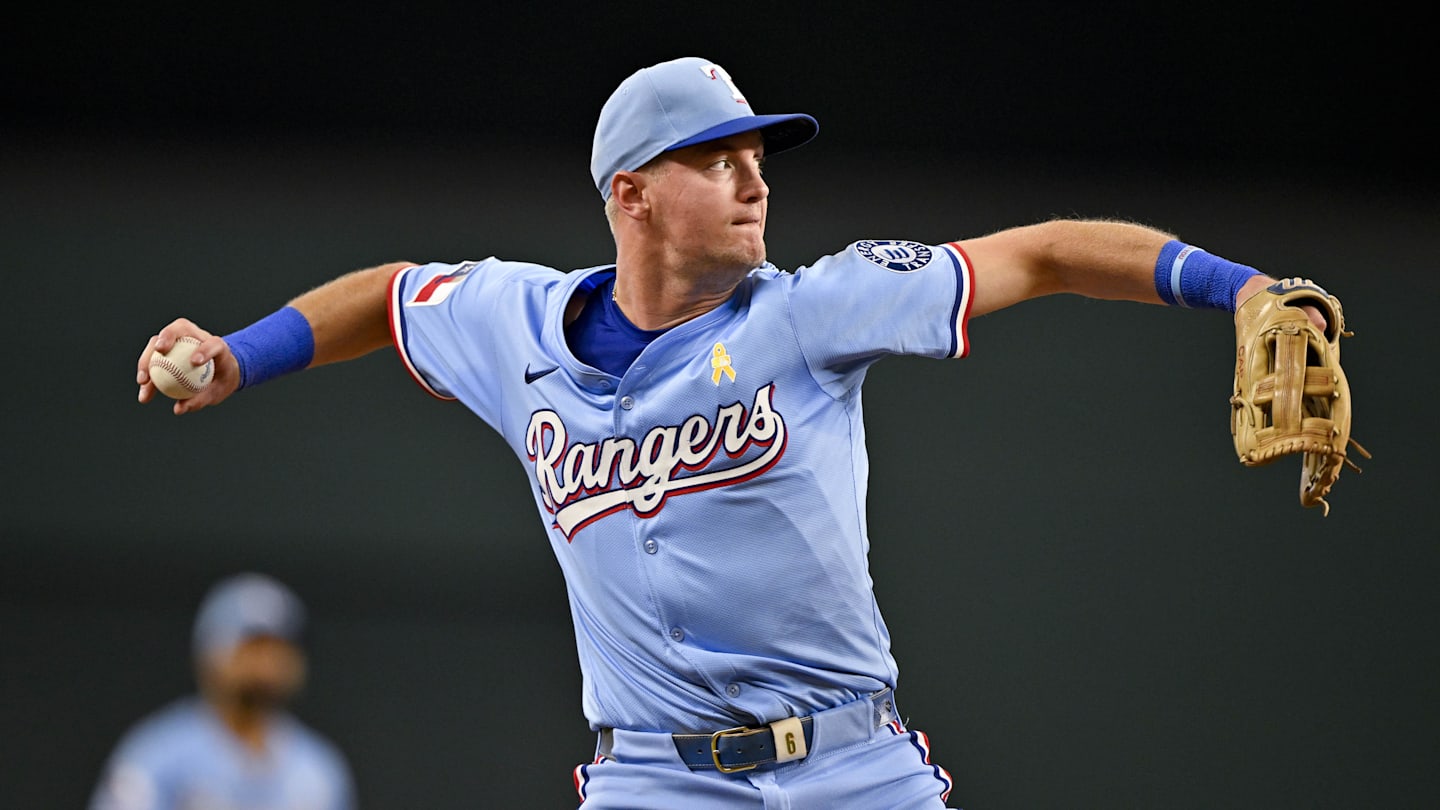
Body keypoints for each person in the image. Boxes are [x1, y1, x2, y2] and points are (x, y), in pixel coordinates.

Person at [134, 57, 1334, 808]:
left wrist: (1236, 287)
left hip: (853, 766)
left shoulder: (817, 308)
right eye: (718, 158)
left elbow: (1044, 252)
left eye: (759, 156)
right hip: (652, 776)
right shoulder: (516, 325)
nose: (755, 180)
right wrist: (243, 354)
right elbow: (390, 296)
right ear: (632, 193)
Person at [89, 572, 357, 810]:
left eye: (280, 649)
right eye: (253, 647)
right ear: (211, 653)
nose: (266, 665)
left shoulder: (317, 767)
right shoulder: (158, 754)